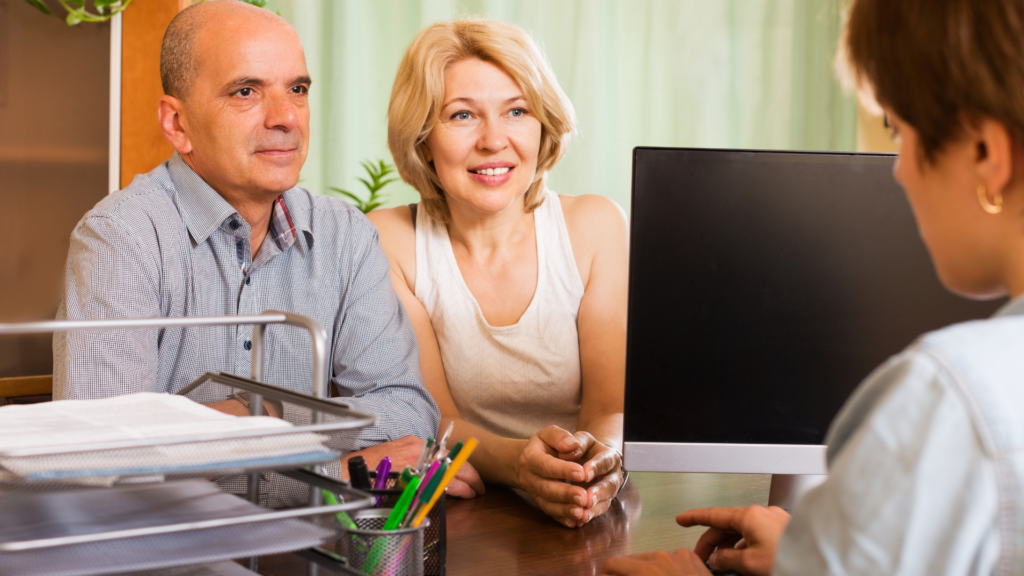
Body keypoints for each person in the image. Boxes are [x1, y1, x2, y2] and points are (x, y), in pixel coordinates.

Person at [602, 0, 1024, 574]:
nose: (897, 170)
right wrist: (816, 553)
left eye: (900, 131)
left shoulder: (949, 397)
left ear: (985, 154)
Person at [53, 0, 441, 476]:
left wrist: (259, 414)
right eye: (245, 91)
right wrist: (337, 469)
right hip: (174, 549)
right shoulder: (120, 236)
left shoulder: (346, 236)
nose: (287, 118)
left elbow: (407, 413)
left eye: (297, 89)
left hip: (314, 545)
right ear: (177, 124)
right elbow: (101, 461)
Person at [368, 19, 629, 528]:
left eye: (517, 111)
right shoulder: (390, 239)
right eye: (462, 115)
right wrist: (521, 467)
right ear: (422, 140)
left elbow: (609, 407)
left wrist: (600, 467)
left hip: (588, 508)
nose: (494, 140)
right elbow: (433, 417)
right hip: (469, 512)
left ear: (543, 125)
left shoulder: (596, 225)